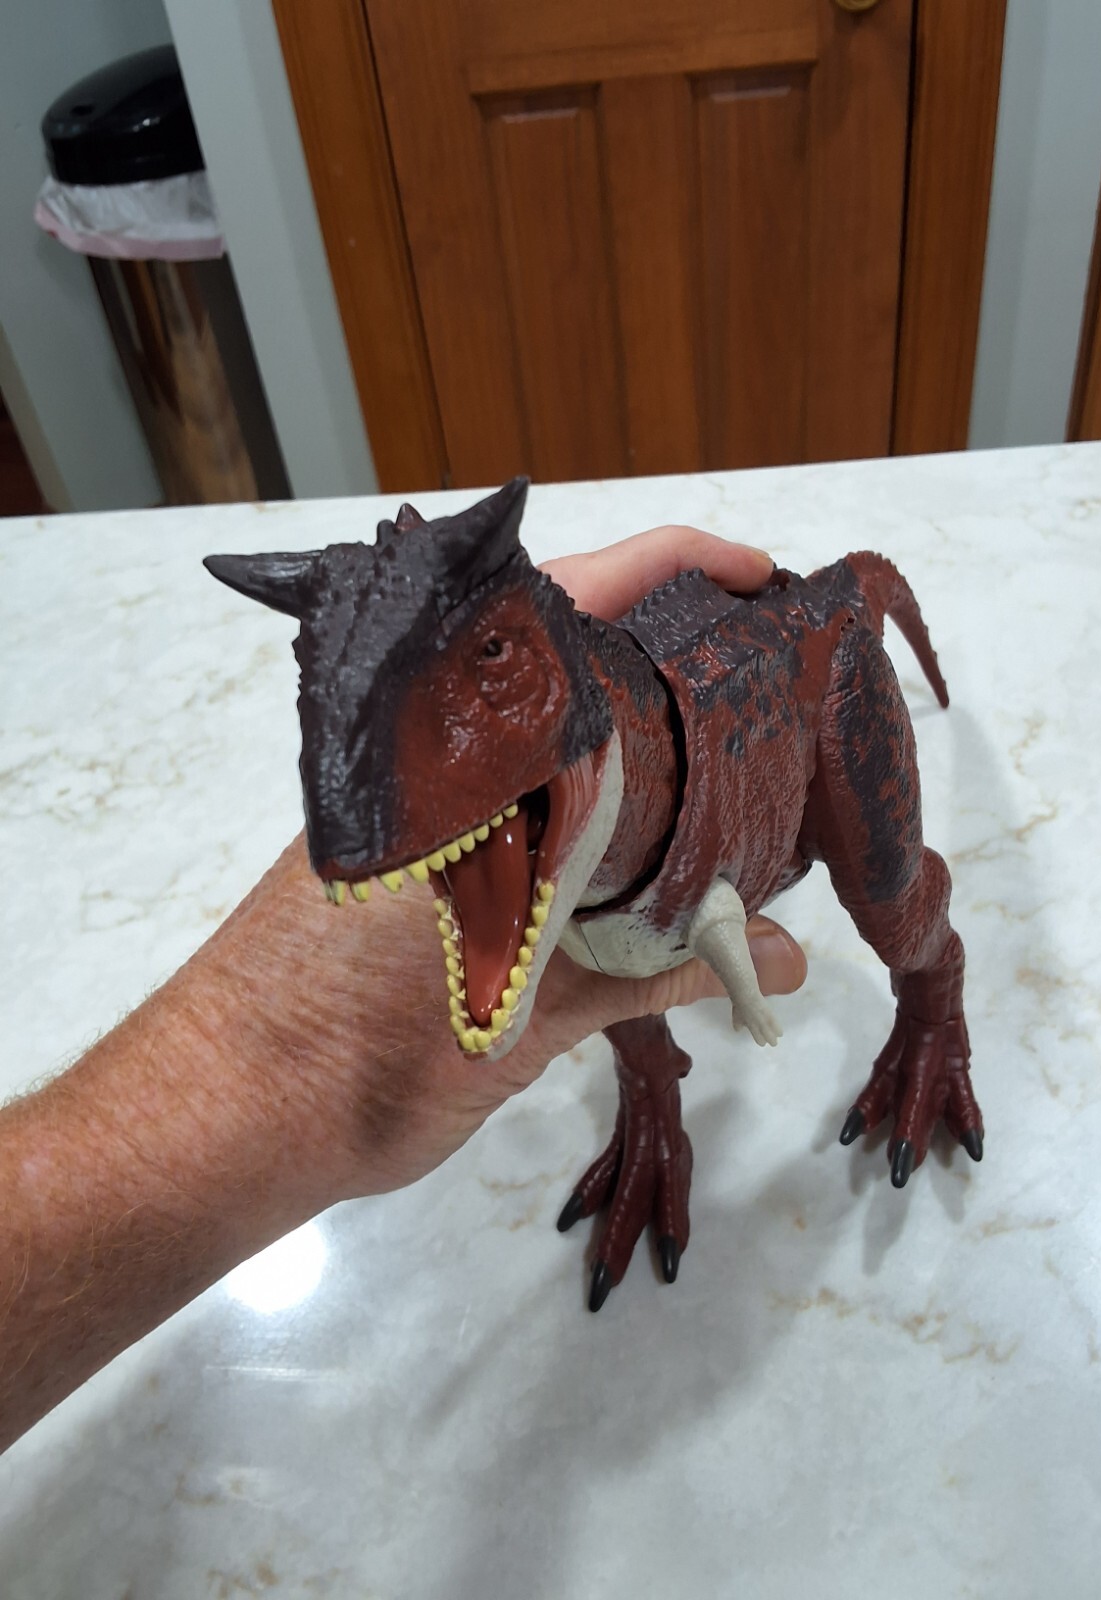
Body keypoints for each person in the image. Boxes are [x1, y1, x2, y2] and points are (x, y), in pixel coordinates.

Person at [0, 526, 807, 1454]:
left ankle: (932, 1010)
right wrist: (260, 1065)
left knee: (884, 903)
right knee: (597, 958)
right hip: (613, 830)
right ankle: (652, 1096)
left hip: (752, 711)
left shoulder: (599, 751)